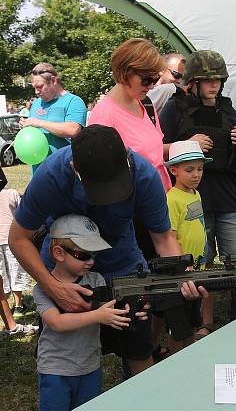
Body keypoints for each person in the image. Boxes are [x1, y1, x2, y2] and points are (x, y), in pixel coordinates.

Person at [8, 124, 206, 376]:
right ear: (74, 169)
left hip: (123, 263)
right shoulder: (51, 176)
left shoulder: (144, 175)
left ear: (126, 159)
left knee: (138, 350)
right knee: (64, 359)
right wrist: (54, 287)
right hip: (65, 270)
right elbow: (18, 238)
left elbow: (163, 239)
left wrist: (183, 277)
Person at [160, 49, 236, 327]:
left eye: (218, 80)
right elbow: (157, 149)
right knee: (203, 262)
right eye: (207, 80)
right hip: (192, 197)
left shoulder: (228, 109)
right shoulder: (175, 108)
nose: (214, 85)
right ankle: (205, 321)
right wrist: (188, 144)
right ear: (193, 82)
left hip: (226, 194)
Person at [33, 214, 143, 411]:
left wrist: (131, 313)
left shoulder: (96, 280)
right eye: (83, 255)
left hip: (90, 366)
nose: (91, 261)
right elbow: (56, 322)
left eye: (94, 254)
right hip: (56, 370)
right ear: (59, 253)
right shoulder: (43, 288)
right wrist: (98, 315)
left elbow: (109, 311)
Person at [89, 38, 171, 191]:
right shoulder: (103, 116)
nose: (152, 86)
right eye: (147, 80)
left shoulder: (146, 104)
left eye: (155, 79)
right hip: (136, 207)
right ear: (125, 72)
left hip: (161, 201)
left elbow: (155, 154)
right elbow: (102, 177)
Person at [162, 140, 211, 350]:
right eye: (189, 169)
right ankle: (175, 357)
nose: (196, 174)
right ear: (174, 170)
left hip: (197, 268)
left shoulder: (196, 193)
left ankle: (190, 353)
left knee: (193, 318)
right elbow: (170, 236)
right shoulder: (171, 199)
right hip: (181, 274)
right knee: (179, 325)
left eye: (200, 169)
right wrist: (182, 264)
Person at [22, 63, 87, 173]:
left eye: (40, 86)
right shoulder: (37, 103)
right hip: (39, 172)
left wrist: (39, 123)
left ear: (53, 81)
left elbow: (73, 129)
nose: (36, 92)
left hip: (64, 172)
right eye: (34, 87)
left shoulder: (73, 101)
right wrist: (26, 125)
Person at [0, 188, 33, 320]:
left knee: (2, 275)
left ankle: (5, 306)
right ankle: (18, 306)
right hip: (11, 239)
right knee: (16, 272)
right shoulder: (12, 193)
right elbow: (22, 213)